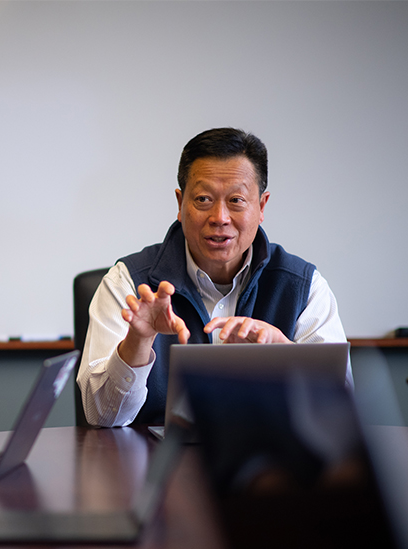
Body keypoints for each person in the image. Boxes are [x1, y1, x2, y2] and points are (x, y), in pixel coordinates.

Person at [77, 127, 350, 427]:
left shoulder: (303, 286)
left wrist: (282, 352)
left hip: (269, 469)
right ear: (180, 204)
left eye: (236, 200)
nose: (219, 217)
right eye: (204, 199)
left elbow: (339, 413)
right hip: (153, 467)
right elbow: (101, 416)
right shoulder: (129, 283)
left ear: (262, 206)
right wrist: (138, 342)